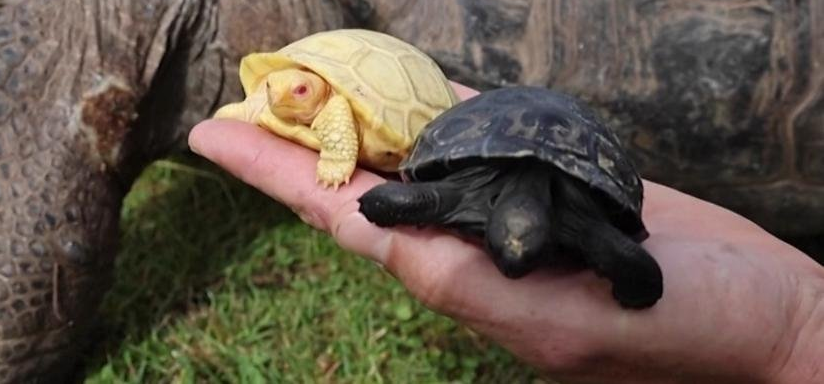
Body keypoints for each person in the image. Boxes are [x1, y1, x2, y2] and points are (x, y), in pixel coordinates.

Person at [187, 83, 824, 383]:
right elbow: (403, 197)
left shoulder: (585, 224)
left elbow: (634, 263)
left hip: (570, 171)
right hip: (479, 155)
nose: (511, 261)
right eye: (510, 245)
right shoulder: (455, 190)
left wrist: (797, 329)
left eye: (514, 247)